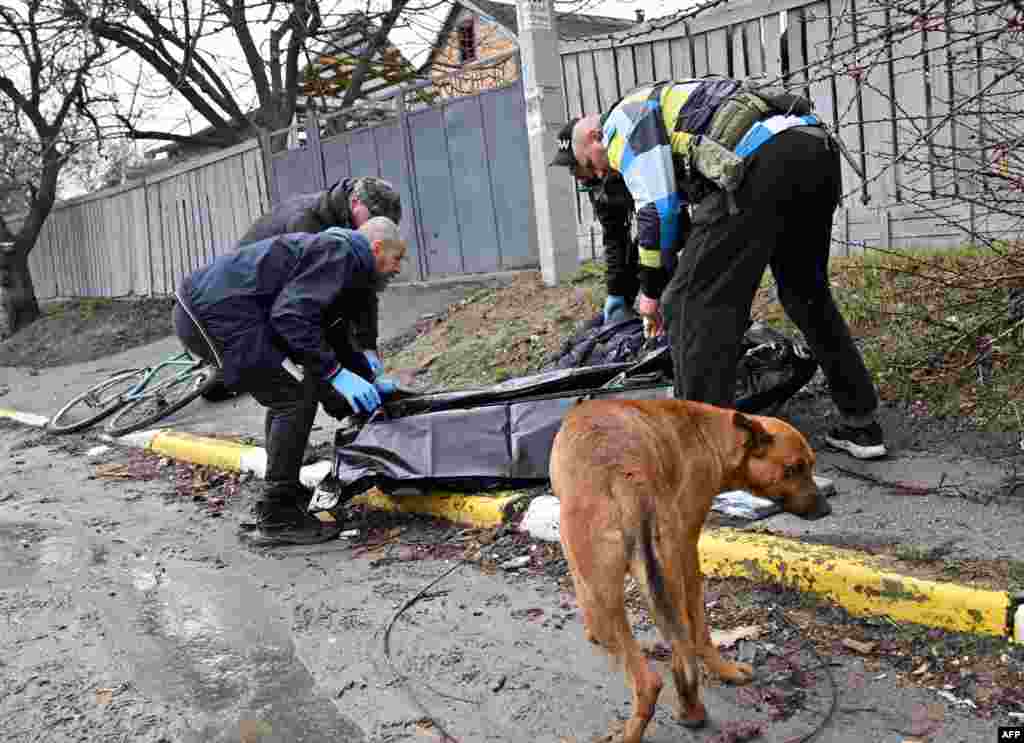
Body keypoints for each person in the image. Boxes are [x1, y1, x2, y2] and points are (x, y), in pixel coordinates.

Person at [560, 77, 887, 459]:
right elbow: (684, 226)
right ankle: (861, 423)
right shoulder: (666, 113)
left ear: (596, 137)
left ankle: (703, 456)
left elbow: (656, 211)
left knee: (689, 305)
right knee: (805, 293)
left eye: (589, 166)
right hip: (814, 149)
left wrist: (650, 293)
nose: (600, 175)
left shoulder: (622, 122)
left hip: (759, 158)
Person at [173, 218, 407, 545]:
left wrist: (366, 382)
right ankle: (277, 514)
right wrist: (337, 376)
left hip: (217, 311)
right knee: (293, 396)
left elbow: (333, 336)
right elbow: (291, 316)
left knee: (293, 388)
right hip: (214, 315)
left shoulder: (346, 265)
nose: (398, 268)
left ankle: (285, 493)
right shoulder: (338, 254)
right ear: (376, 248)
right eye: (397, 258)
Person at [240, 176, 403, 380]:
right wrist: (338, 371)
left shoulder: (355, 230)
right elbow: (309, 311)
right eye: (376, 218)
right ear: (355, 204)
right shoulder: (308, 224)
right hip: (249, 302)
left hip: (284, 301)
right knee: (298, 391)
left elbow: (364, 287)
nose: (380, 226)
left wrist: (367, 346)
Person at [550, 120, 640, 326]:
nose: (574, 174)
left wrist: (651, 289)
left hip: (673, 213)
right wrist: (616, 293)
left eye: (574, 165)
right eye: (569, 168)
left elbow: (659, 217)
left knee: (648, 252)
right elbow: (614, 237)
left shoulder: (619, 159)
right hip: (655, 223)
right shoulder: (596, 186)